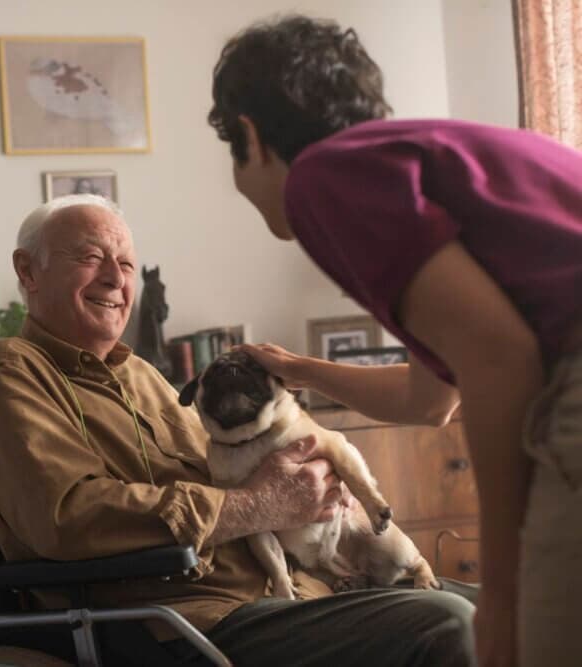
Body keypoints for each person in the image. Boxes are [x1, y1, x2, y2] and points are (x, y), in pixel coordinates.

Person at [0, 193, 476, 666]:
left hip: (296, 590)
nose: (115, 279)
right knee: (450, 623)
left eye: (127, 264)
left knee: (502, 612)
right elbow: (69, 517)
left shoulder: (143, 375)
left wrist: (316, 481)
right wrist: (262, 504)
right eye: (91, 257)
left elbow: (243, 469)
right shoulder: (11, 372)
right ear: (28, 271)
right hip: (185, 621)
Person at [207, 14, 582, 667]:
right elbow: (429, 400)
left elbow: (500, 361)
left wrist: (502, 592)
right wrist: (299, 369)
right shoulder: (404, 161)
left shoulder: (323, 179)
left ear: (251, 136)